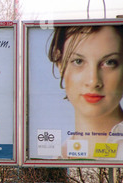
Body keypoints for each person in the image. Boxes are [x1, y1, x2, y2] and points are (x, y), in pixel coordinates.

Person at [48, 25, 123, 159]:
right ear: (60, 64)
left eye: (109, 62)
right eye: (78, 61)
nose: (93, 81)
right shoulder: (57, 158)